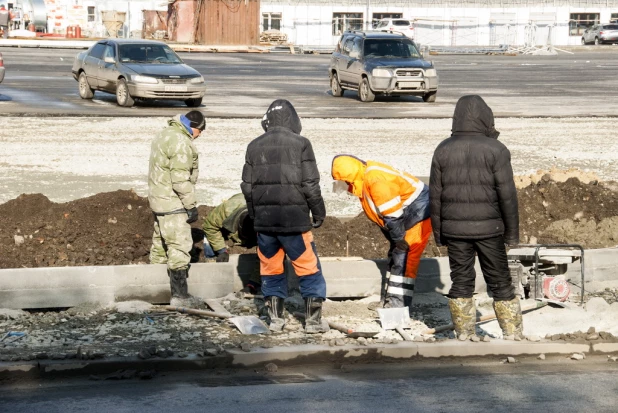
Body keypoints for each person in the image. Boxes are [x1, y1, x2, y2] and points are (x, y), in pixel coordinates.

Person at [429, 95, 522, 341]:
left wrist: (439, 235)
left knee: (460, 282)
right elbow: (507, 196)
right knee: (501, 282)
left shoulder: (442, 149)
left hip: (455, 230)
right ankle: (512, 333)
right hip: (490, 229)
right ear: (486, 118)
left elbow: (435, 196)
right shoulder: (497, 150)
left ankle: (464, 334)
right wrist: (512, 234)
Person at [241, 99, 328, 333]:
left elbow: (247, 187)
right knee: (309, 269)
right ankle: (313, 322)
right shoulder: (301, 144)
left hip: (265, 225)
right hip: (295, 223)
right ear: (293, 119)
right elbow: (311, 184)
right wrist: (319, 212)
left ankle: (276, 320)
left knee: (271, 270)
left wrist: (254, 214)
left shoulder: (253, 145)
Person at [332, 155, 431, 311]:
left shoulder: (376, 180)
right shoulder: (365, 178)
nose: (345, 186)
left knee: (405, 258)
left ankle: (398, 306)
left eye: (344, 182)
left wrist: (398, 238)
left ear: (350, 177)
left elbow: (392, 214)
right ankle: (389, 301)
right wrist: (395, 238)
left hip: (418, 213)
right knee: (396, 255)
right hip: (407, 214)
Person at [148, 110, 206, 307]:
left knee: (160, 245)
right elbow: (180, 178)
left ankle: (154, 291)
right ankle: (180, 296)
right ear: (194, 127)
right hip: (173, 203)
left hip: (159, 200)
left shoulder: (164, 134)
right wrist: (191, 205)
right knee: (179, 246)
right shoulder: (181, 142)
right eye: (200, 131)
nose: (199, 136)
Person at [202, 193, 261, 293]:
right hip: (230, 227)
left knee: (268, 252)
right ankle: (211, 269)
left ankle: (256, 283)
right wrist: (221, 250)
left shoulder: (265, 224)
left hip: (257, 231)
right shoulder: (226, 210)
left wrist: (252, 284)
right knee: (208, 237)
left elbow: (267, 255)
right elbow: (209, 226)